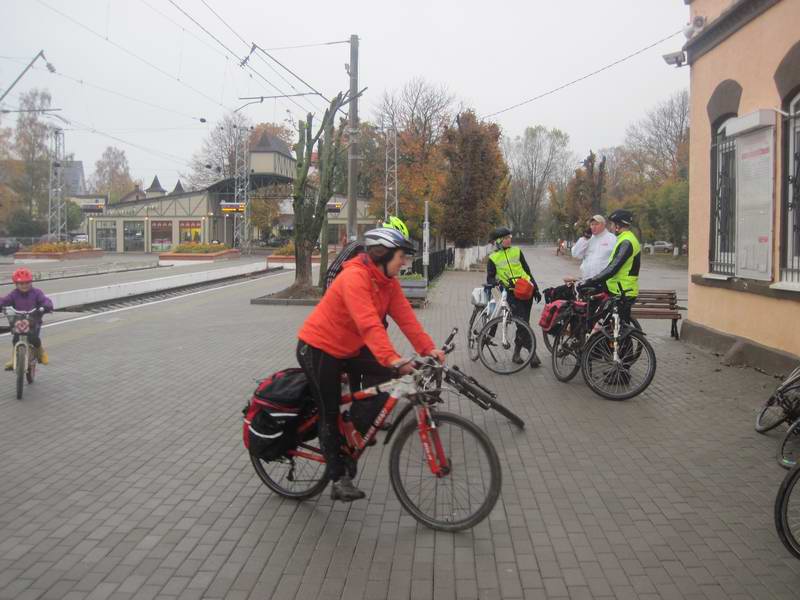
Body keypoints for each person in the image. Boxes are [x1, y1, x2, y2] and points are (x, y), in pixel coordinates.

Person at [297, 227, 444, 502]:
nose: (404, 263)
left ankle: (353, 426)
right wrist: (393, 358)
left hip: (349, 348)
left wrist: (428, 349)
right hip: (319, 348)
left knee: (389, 380)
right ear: (383, 254)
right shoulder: (355, 277)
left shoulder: (387, 282)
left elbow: (406, 319)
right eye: (401, 257)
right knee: (329, 411)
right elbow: (368, 324)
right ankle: (337, 476)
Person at [486, 227, 543, 368]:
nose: (509, 239)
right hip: (511, 293)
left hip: (526, 291)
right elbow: (490, 277)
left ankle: (516, 353)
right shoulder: (493, 257)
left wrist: (535, 288)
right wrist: (497, 282)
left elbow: (527, 270)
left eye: (509, 236)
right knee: (522, 322)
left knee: (524, 323)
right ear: (498, 241)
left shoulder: (516, 251)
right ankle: (532, 352)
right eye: (505, 238)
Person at [578, 209, 641, 323]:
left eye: (612, 224)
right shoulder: (623, 239)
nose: (611, 227)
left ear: (618, 226)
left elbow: (613, 268)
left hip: (622, 291)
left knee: (614, 328)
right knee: (612, 325)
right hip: (617, 289)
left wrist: (592, 280)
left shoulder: (626, 242)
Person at [323, 215, 409, 293]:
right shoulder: (356, 246)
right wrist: (330, 297)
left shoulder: (386, 271)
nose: (403, 262)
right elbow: (331, 274)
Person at [0, 268, 53, 370]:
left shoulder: (37, 293)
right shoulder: (13, 294)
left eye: (27, 282)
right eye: (21, 283)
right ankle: (14, 359)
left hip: (34, 321)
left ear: (31, 282)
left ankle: (40, 352)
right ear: (16, 284)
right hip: (18, 322)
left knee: (34, 339)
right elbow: (4, 301)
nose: (24, 285)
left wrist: (46, 306)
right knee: (15, 340)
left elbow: (45, 300)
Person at [570, 215, 617, 280]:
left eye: (597, 224)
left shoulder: (612, 239)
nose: (593, 227)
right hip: (587, 279)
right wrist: (584, 238)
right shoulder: (587, 239)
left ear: (603, 225)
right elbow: (575, 254)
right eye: (592, 224)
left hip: (604, 280)